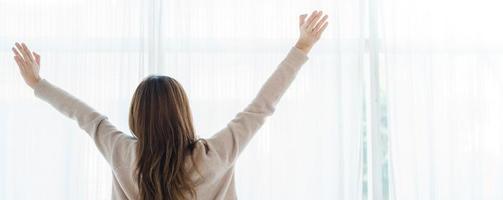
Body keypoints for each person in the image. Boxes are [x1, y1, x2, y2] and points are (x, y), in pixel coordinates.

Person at [11, 11, 329, 200]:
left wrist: (38, 84)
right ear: (183, 113)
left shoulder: (123, 152)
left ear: (137, 116)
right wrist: (301, 47)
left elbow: (84, 116)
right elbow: (262, 106)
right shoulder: (215, 154)